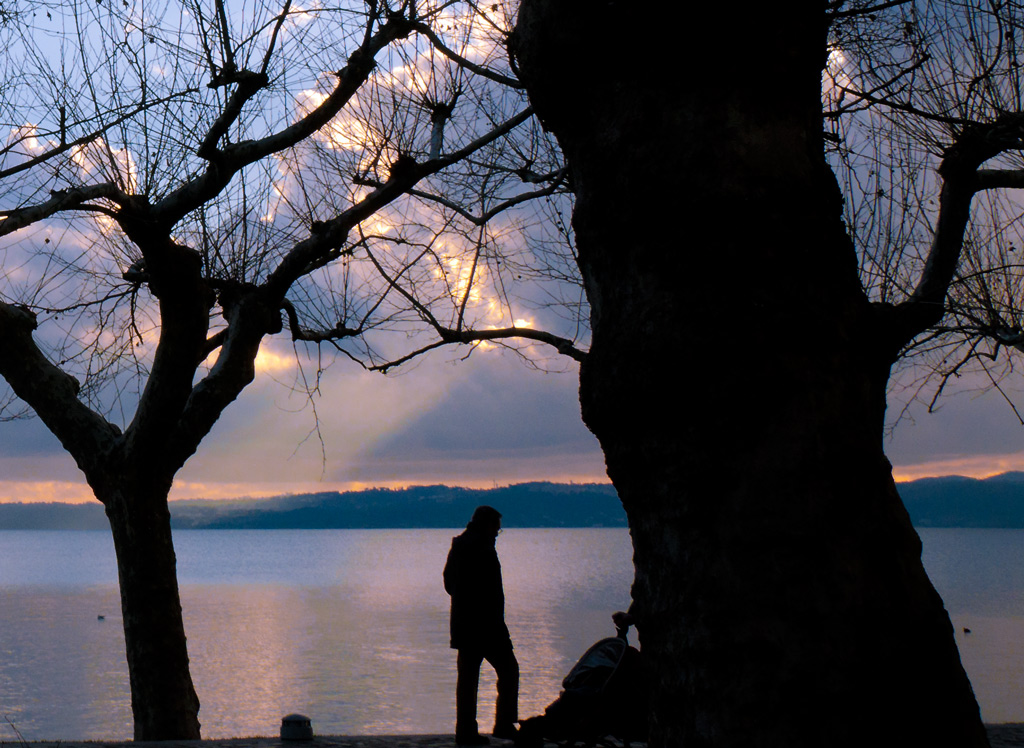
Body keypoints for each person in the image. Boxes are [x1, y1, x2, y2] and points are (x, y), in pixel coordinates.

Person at [443, 505, 519, 745]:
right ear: (486, 525)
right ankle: (504, 724)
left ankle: (465, 732)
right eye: (496, 528)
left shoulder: (460, 545)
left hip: (465, 626)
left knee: (467, 681)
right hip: (487, 626)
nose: (497, 533)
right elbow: (489, 591)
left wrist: (464, 602)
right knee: (509, 671)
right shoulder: (481, 547)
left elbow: (449, 584)